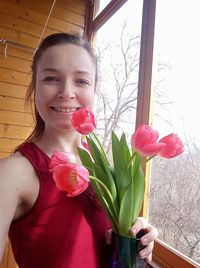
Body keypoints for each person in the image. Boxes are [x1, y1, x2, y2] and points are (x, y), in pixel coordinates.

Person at [0, 33, 158, 268]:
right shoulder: (13, 172)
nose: (66, 92)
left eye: (81, 81)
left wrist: (134, 236)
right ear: (35, 87)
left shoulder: (102, 166)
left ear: (94, 90)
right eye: (51, 78)